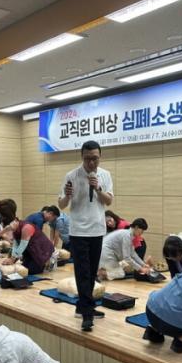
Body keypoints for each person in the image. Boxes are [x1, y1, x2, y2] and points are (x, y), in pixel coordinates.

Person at [58, 140, 114, 332]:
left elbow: (109, 201)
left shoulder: (105, 175)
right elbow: (61, 204)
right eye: (88, 158)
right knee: (82, 272)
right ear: (82, 156)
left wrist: (98, 188)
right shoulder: (71, 175)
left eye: (95, 159)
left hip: (97, 230)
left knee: (91, 272)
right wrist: (67, 196)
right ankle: (87, 314)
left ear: (100, 157)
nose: (91, 163)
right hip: (78, 231)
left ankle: (82, 306)